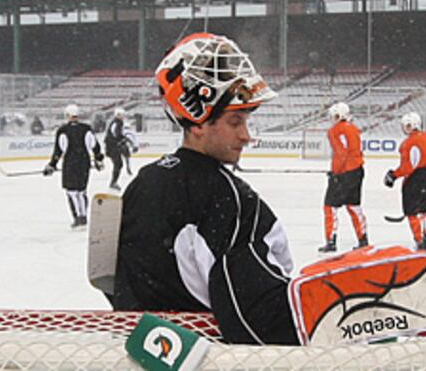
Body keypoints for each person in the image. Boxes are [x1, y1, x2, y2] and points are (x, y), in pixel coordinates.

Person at [111, 32, 298, 345]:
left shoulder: (143, 182)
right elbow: (262, 321)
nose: (246, 136)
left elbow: (119, 288)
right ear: (196, 121)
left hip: (149, 357)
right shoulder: (230, 198)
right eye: (235, 122)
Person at [384, 112, 426, 251]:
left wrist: (393, 175)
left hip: (414, 180)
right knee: (422, 211)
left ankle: (419, 239)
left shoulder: (407, 143)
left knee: (412, 212)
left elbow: (407, 167)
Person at [44, 104, 104, 229]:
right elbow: (95, 146)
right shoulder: (86, 129)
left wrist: (52, 165)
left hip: (70, 163)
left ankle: (77, 218)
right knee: (82, 191)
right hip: (84, 162)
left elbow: (59, 150)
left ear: (67, 115)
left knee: (72, 192)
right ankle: (83, 216)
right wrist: (98, 160)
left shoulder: (63, 130)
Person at [318, 102, 368, 253]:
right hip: (357, 171)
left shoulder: (334, 130)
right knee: (354, 206)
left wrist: (335, 173)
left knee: (330, 207)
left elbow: (341, 154)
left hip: (344, 173)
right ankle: (363, 239)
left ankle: (331, 241)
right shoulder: (353, 128)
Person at [104, 107, 132, 190]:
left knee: (118, 164)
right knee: (118, 164)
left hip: (113, 147)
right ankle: (113, 182)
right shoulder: (117, 123)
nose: (123, 116)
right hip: (113, 147)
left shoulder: (117, 122)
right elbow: (116, 134)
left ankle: (114, 182)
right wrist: (123, 139)